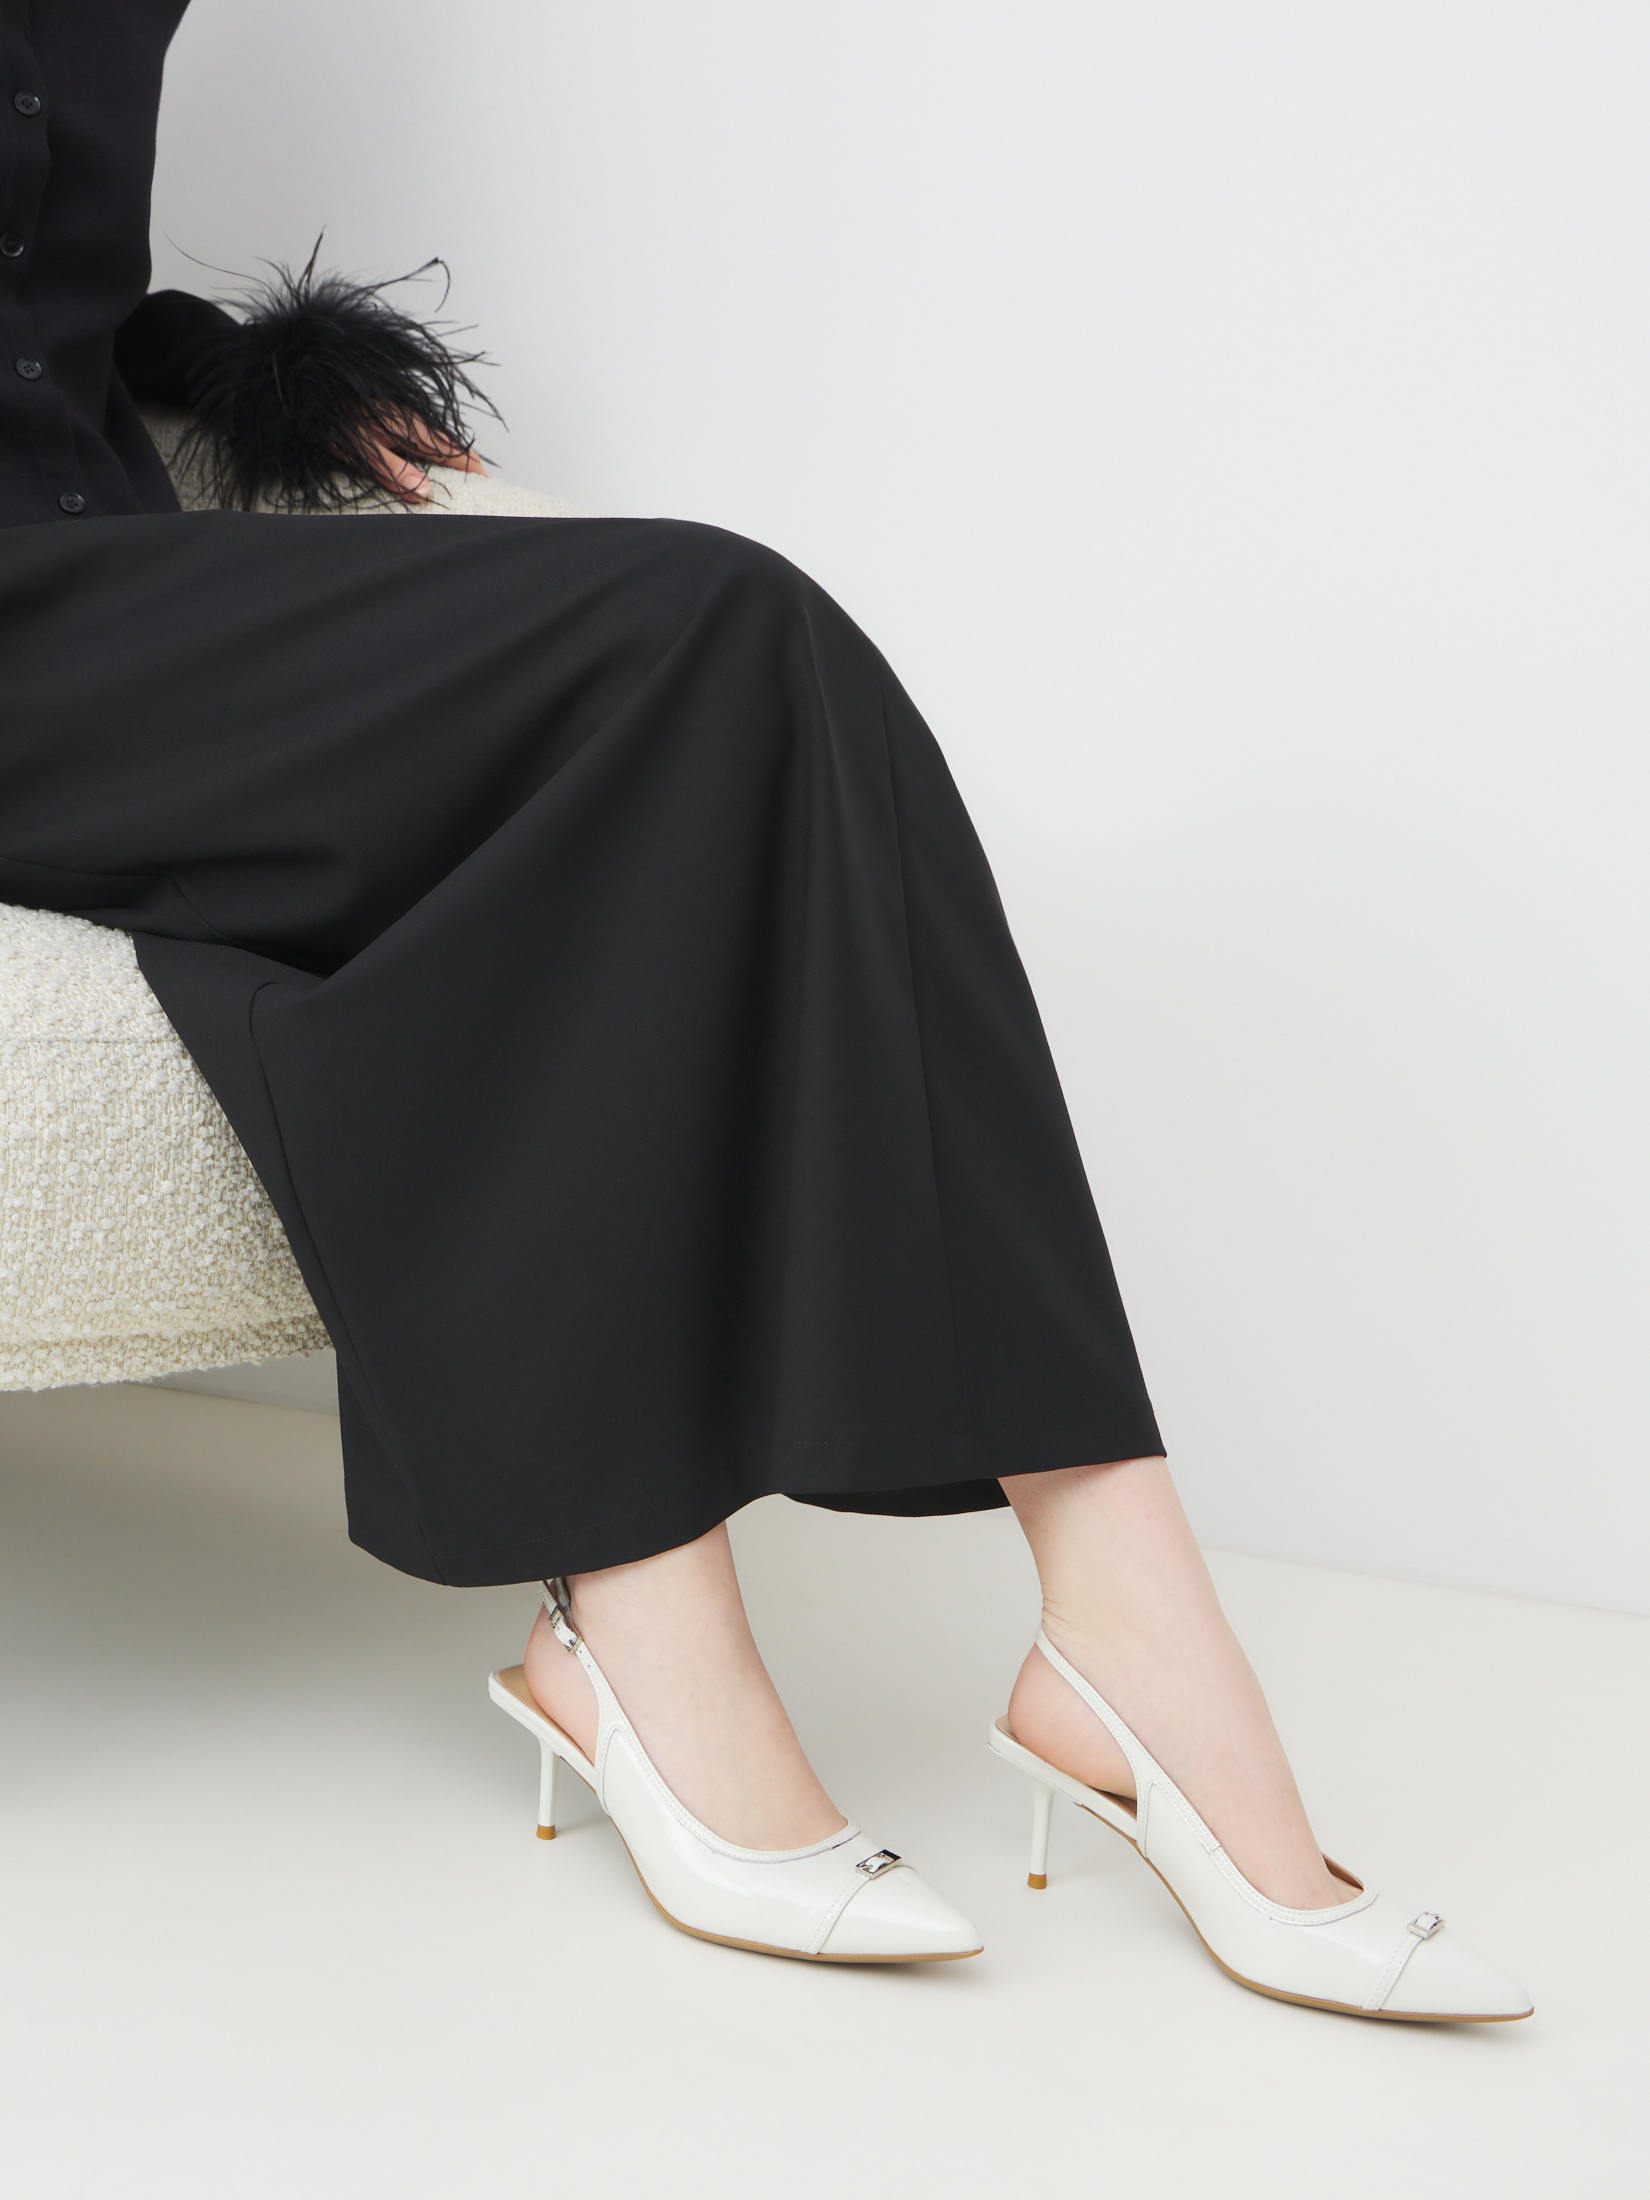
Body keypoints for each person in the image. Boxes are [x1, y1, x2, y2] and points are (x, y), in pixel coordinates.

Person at [0, 0, 1529, 2016]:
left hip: (99, 585)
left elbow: (50, 271)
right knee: (712, 632)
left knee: (722, 689)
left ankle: (959, 1608)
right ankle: (944, 1640)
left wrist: (235, 378)